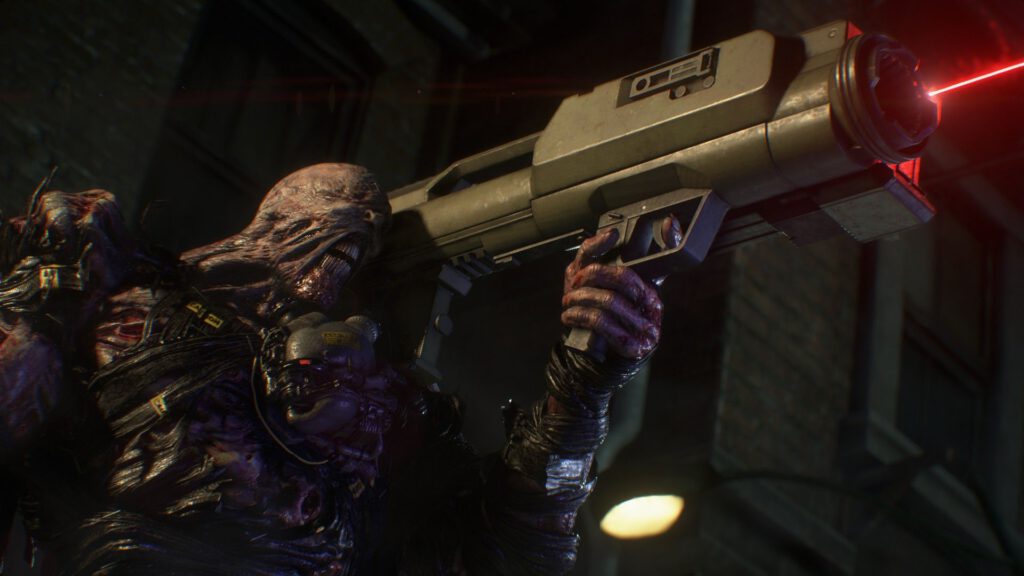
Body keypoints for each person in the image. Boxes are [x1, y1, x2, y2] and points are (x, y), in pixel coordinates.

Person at [0, 163, 666, 575]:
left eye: (352, 248)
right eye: (326, 233)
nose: (332, 264)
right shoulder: (127, 312)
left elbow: (519, 545)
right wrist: (46, 302)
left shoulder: (377, 409)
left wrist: (586, 377)